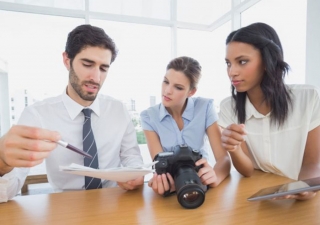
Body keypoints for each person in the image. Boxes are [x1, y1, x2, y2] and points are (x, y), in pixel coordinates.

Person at [0, 24, 144, 203]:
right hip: (65, 209)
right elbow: (8, 191)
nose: (96, 77)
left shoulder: (118, 110)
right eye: (87, 64)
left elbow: (131, 156)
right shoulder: (37, 115)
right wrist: (2, 164)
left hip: (114, 205)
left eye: (103, 68)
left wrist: (135, 174)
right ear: (67, 60)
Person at [219, 22, 320, 200]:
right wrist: (233, 148)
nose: (232, 72)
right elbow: (247, 170)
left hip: (304, 202)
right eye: (228, 63)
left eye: (242, 62)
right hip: (261, 196)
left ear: (267, 61)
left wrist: (303, 187)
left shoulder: (308, 98)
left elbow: (313, 162)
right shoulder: (229, 107)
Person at [140, 56, 231, 196]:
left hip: (203, 184)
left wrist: (215, 178)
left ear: (191, 92)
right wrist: (161, 182)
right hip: (171, 189)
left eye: (178, 87)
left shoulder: (205, 107)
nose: (167, 91)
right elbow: (158, 165)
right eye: (166, 82)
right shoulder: (148, 116)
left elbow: (223, 159)